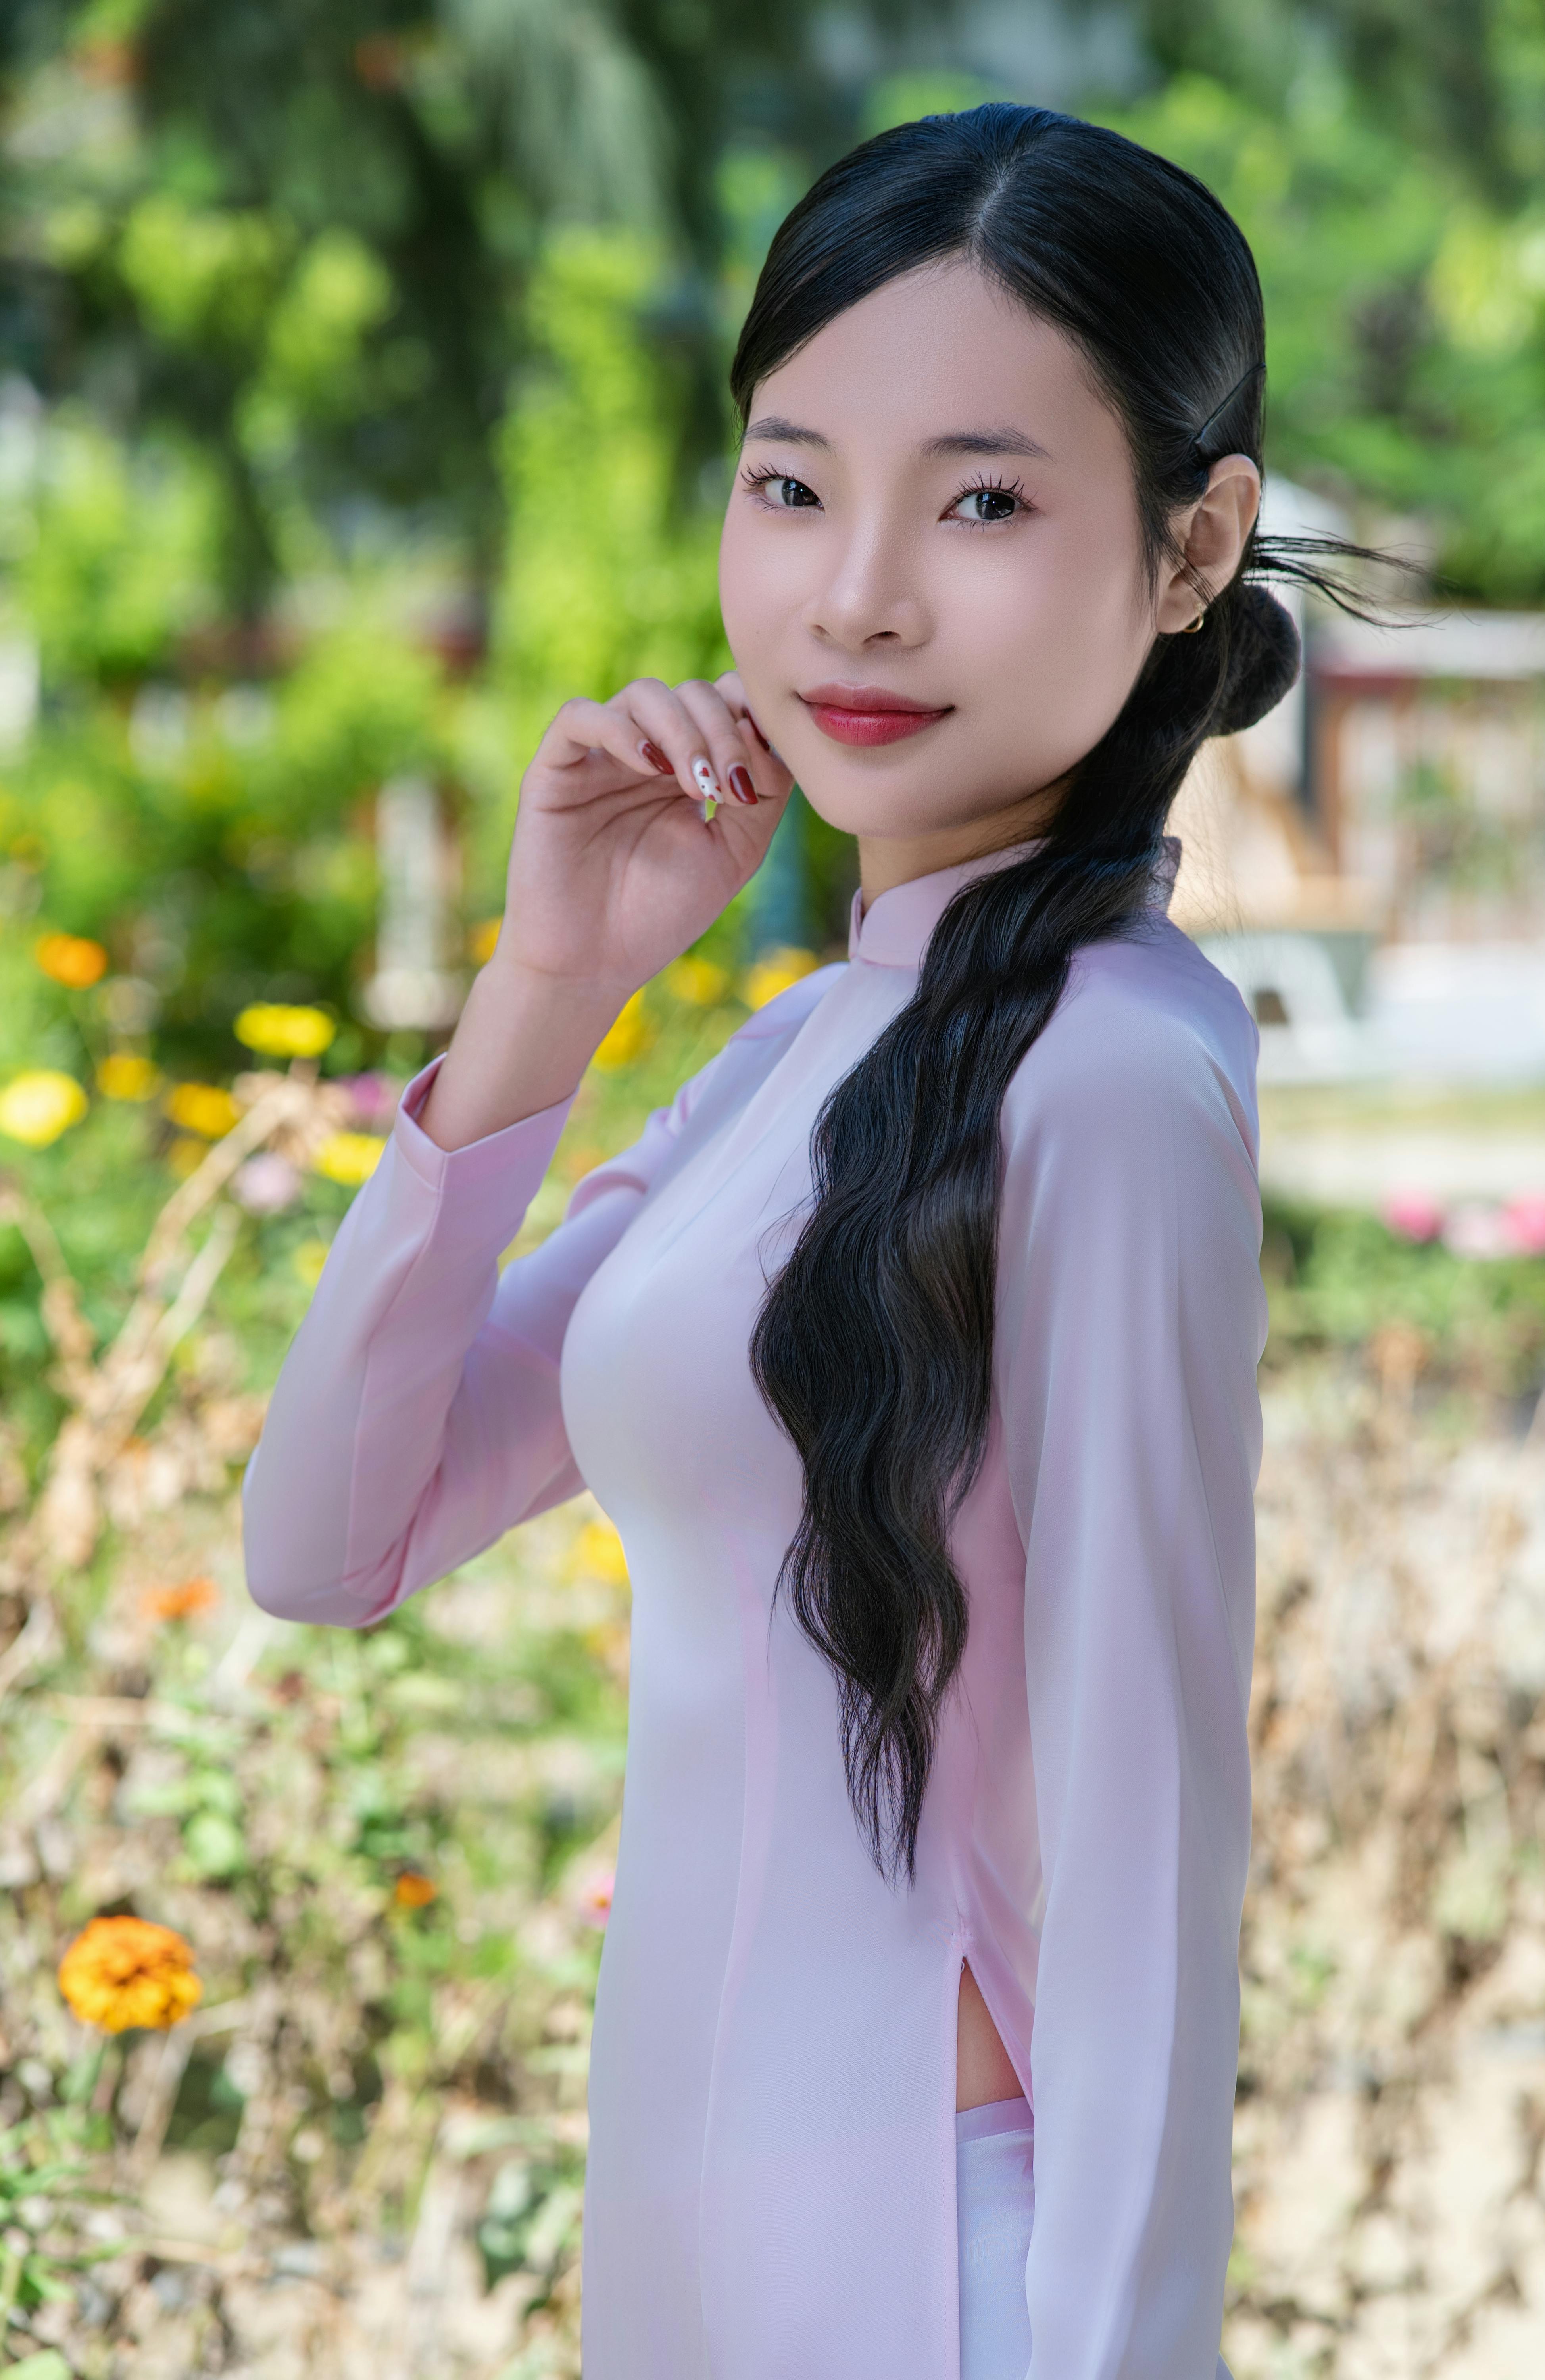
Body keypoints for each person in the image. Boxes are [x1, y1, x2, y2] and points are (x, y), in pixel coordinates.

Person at [245, 101, 1334, 2380]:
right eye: (792, 482)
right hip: (685, 2253)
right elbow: (330, 1542)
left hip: (932, 2274)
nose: (857, 593)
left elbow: (1149, 1838)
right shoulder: (801, 1055)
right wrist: (551, 987)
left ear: (1193, 546)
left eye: (985, 502)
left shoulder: (1115, 1077)